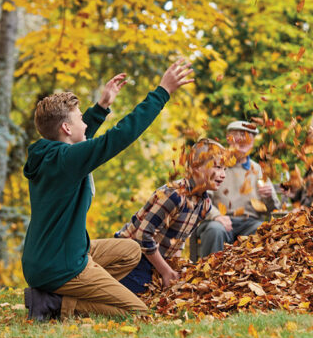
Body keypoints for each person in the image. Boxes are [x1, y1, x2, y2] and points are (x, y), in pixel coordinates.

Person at [21, 60, 194, 320]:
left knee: (131, 251)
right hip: (61, 266)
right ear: (66, 128)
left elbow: (82, 140)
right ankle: (56, 302)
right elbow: (118, 137)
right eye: (80, 119)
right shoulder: (67, 160)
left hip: (55, 254)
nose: (85, 124)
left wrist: (102, 106)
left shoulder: (50, 155)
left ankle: (75, 290)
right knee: (138, 312)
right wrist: (162, 92)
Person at [116, 139, 226, 294]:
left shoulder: (205, 204)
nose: (223, 175)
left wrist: (174, 268)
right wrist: (166, 271)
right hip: (130, 257)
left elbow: (179, 239)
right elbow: (143, 236)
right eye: (217, 167)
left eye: (225, 169)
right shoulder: (174, 195)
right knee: (141, 302)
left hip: (155, 261)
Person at [195, 121, 279, 260]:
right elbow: (202, 198)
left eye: (247, 136)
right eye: (238, 135)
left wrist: (269, 197)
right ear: (229, 138)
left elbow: (273, 209)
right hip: (220, 220)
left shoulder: (257, 169)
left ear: (252, 142)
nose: (243, 139)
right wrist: (216, 216)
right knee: (215, 230)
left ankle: (254, 278)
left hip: (249, 223)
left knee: (264, 230)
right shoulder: (216, 164)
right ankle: (209, 277)